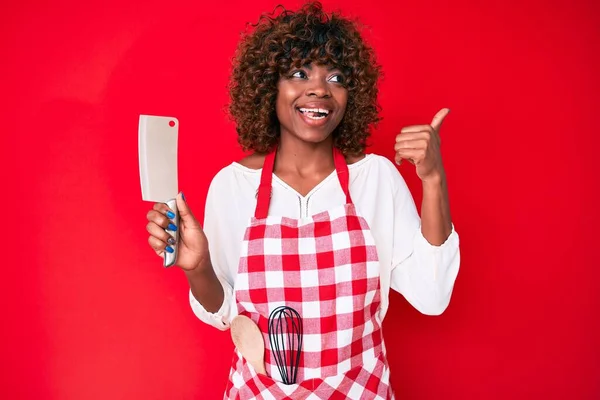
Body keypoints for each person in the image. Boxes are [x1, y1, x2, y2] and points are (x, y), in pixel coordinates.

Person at [145, 2, 460, 399]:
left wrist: (433, 179)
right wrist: (198, 268)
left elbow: (432, 296)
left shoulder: (376, 178)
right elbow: (227, 313)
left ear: (351, 94)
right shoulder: (234, 185)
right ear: (268, 86)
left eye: (336, 76)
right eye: (298, 73)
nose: (318, 89)